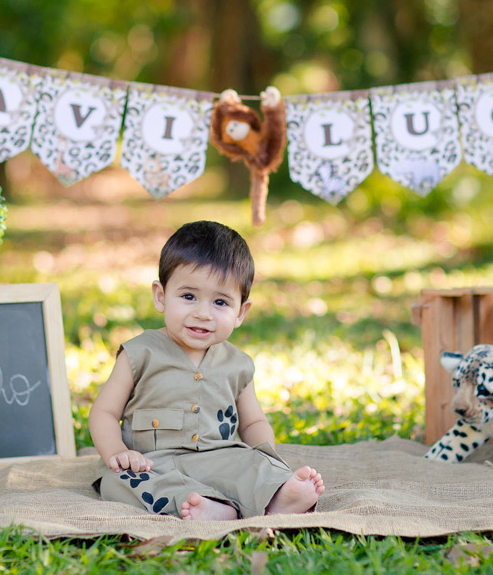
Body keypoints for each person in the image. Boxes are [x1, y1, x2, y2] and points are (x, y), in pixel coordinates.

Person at [89, 220, 325, 520]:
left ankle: (276, 496)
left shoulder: (237, 364)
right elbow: (104, 413)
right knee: (117, 482)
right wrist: (117, 453)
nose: (202, 313)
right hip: (151, 463)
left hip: (220, 459)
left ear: (241, 312)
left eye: (220, 302)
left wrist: (265, 459)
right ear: (161, 296)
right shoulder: (139, 353)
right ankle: (209, 508)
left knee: (254, 466)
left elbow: (253, 424)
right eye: (188, 297)